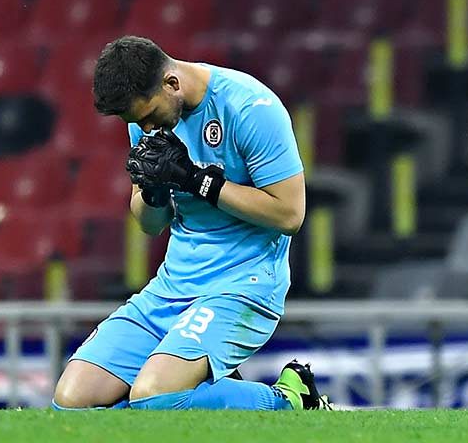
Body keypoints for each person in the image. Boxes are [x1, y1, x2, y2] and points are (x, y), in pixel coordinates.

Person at [51, 35, 328, 411]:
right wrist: (152, 191)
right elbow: (150, 223)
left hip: (243, 283)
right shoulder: (147, 120)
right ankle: (200, 395)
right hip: (174, 284)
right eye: (136, 122)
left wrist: (195, 180)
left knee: (155, 396)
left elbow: (290, 215)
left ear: (171, 83)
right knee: (72, 400)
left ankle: (291, 399)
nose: (145, 129)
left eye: (148, 117)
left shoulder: (251, 107)